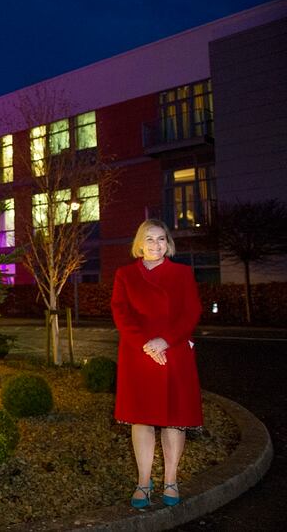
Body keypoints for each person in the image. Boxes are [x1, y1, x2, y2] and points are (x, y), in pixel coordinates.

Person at [111, 218, 203, 509]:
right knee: (142, 417)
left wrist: (166, 340)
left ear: (168, 243)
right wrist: (145, 343)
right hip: (138, 354)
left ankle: (172, 480)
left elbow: (192, 312)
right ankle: (143, 481)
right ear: (139, 244)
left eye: (161, 239)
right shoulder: (125, 274)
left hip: (174, 352)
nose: (155, 244)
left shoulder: (182, 273)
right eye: (149, 239)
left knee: (174, 418)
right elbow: (121, 312)